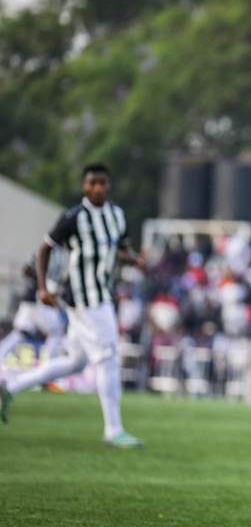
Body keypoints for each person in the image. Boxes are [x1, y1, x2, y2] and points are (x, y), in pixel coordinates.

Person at [0, 164, 146, 448]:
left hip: (102, 293)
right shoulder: (72, 218)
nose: (98, 188)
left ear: (109, 186)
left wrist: (135, 260)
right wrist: (42, 287)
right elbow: (44, 249)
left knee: (76, 361)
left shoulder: (116, 215)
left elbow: (120, 249)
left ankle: (10, 388)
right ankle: (113, 430)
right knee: (109, 357)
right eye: (93, 183)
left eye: (103, 183)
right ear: (85, 187)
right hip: (84, 298)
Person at [0, 255, 67, 365]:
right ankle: (49, 367)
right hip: (37, 300)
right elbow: (26, 270)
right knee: (56, 331)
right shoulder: (49, 252)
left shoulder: (59, 254)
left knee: (21, 333)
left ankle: (1, 358)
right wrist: (42, 284)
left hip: (31, 300)